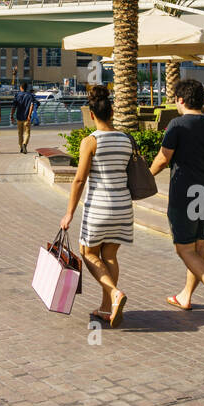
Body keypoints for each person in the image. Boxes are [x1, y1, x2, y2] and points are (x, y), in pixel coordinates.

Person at [150, 77, 204, 324]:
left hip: (184, 193)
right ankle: (185, 296)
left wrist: (145, 178)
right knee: (198, 247)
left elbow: (163, 159)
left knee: (184, 249)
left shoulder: (177, 125)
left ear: (180, 100)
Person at [57, 85, 132, 329]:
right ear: (112, 113)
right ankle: (106, 308)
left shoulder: (90, 141)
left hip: (99, 207)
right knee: (109, 255)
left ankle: (114, 293)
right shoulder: (126, 139)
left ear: (91, 115)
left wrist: (69, 212)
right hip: (123, 206)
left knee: (88, 253)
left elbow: (79, 179)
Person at [10, 81, 39, 153]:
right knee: (27, 133)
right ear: (26, 88)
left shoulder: (17, 95)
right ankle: (24, 144)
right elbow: (32, 105)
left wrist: (12, 115)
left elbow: (14, 106)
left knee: (20, 133)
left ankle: (21, 147)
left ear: (21, 87)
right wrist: (29, 115)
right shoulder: (30, 95)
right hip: (27, 117)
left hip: (19, 117)